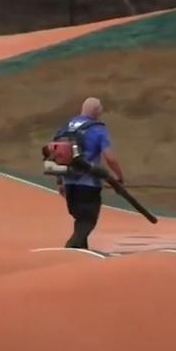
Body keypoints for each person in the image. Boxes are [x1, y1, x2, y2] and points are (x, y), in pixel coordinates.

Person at [53, 97, 124, 249]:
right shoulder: (98, 129)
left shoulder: (65, 128)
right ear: (98, 112)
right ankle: (71, 247)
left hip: (69, 183)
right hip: (88, 184)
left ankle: (81, 252)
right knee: (87, 220)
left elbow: (56, 154)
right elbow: (109, 157)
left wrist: (60, 181)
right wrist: (118, 176)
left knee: (80, 218)